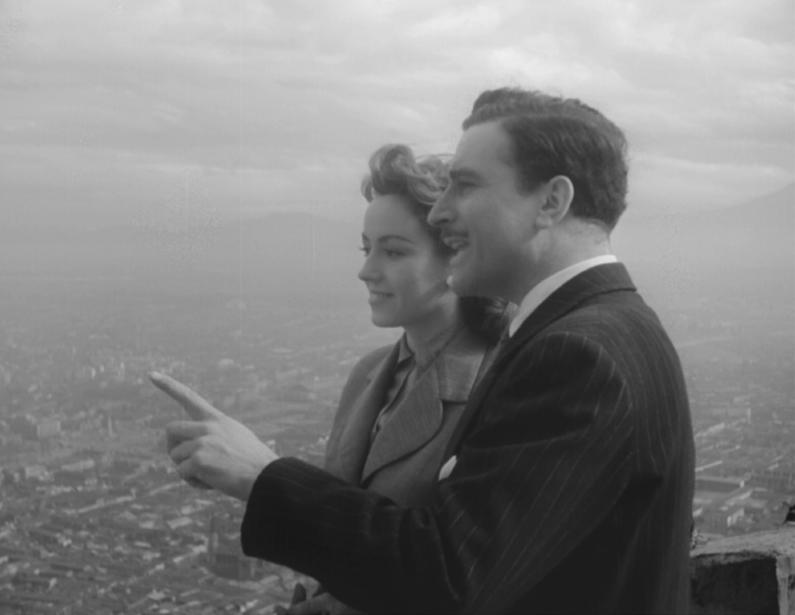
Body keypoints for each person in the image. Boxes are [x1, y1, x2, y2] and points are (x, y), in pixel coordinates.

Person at [152, 87, 695, 613]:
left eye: (466, 185)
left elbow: (450, 577)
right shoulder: (599, 329)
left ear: (551, 202)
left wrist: (261, 475)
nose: (440, 213)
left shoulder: (579, 355)